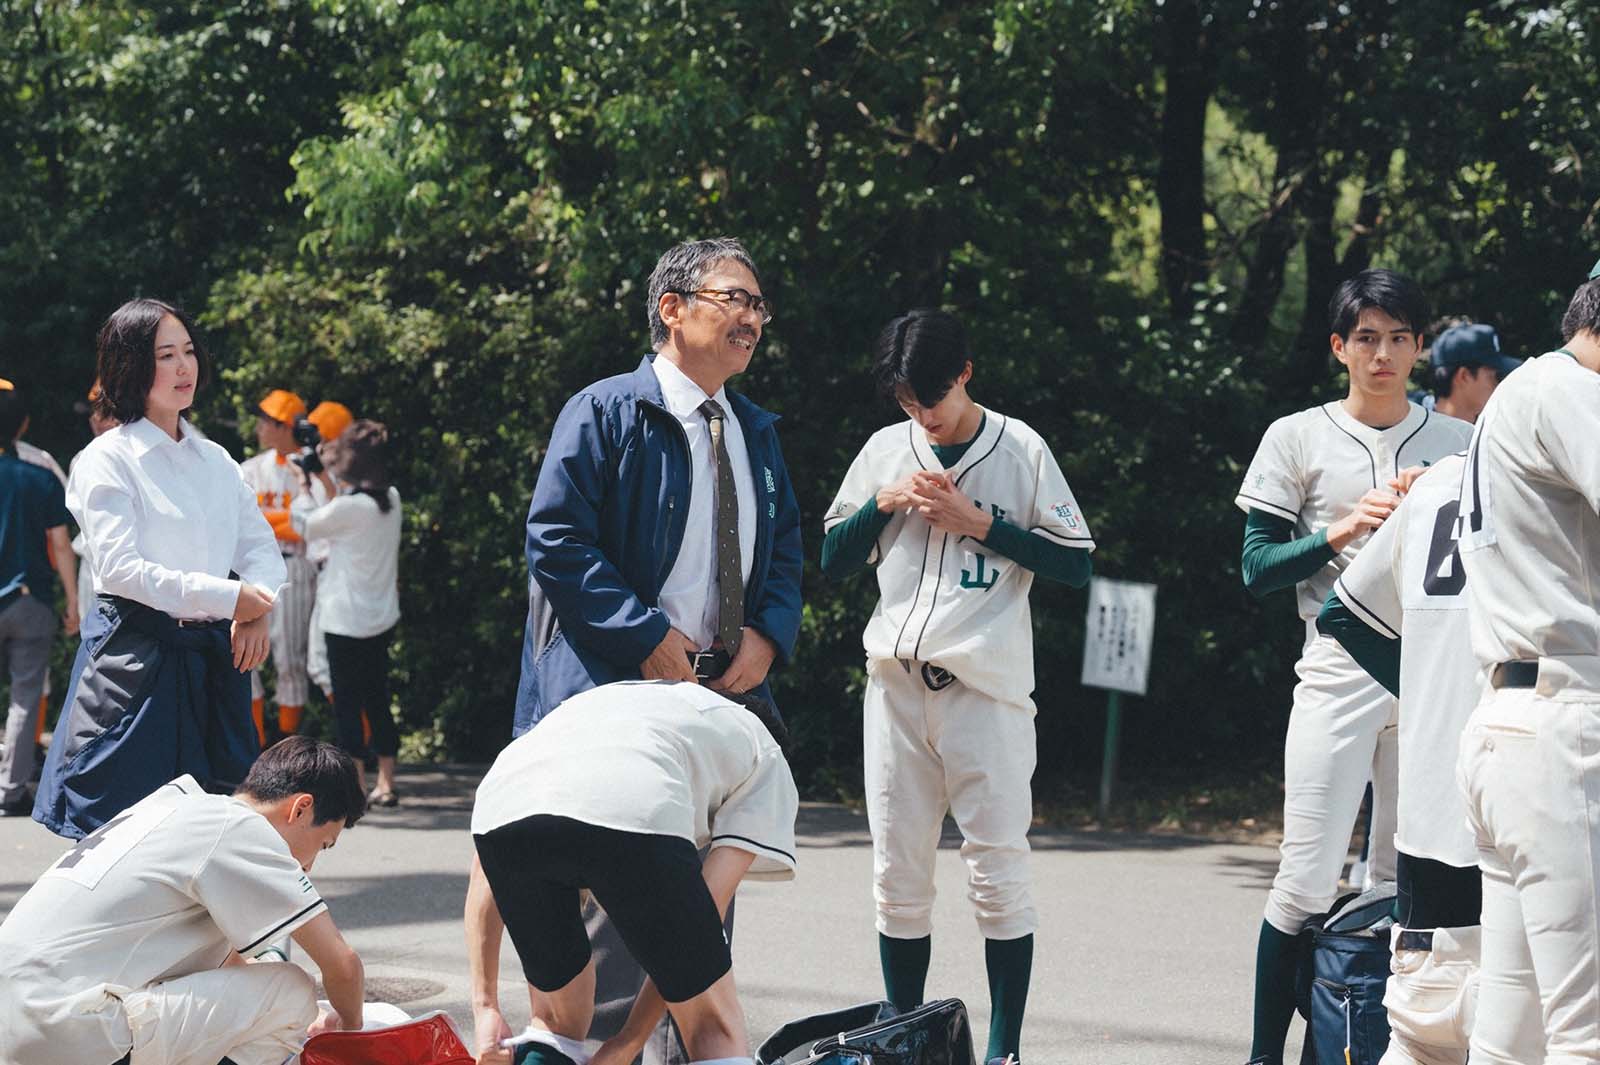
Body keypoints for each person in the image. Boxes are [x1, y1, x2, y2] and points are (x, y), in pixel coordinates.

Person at [506, 236, 803, 1062]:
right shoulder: (605, 410)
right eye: (731, 298)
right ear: (672, 309)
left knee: (698, 936)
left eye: (758, 304)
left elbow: (784, 553)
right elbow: (556, 539)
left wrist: (768, 638)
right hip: (617, 699)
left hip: (718, 701)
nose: (750, 317)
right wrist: (643, 637)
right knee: (611, 930)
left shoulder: (754, 429)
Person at [819, 309, 1094, 1065]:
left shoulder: (1022, 448)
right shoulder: (886, 450)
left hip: (984, 688)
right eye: (907, 400)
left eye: (930, 396)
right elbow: (832, 558)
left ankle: (1003, 1051)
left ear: (965, 371)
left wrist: (981, 523)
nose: (921, 413)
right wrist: (882, 502)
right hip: (896, 688)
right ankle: (899, 1037)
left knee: (997, 872)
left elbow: (1075, 563)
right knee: (897, 872)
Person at [1234, 269, 1473, 1065]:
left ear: (1420, 349)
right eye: (1366, 337)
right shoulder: (1297, 434)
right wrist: (1339, 532)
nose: (1383, 353)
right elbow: (1257, 566)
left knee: (1403, 879)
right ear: (1339, 346)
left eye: (1399, 337)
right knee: (1303, 877)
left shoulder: (1458, 443)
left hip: (1432, 669)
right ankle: (1266, 1054)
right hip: (1337, 662)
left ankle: (1358, 1043)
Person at [33, 298, 286, 840]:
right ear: (129, 365)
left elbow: (260, 549)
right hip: (136, 658)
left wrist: (256, 607)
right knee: (121, 837)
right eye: (165, 355)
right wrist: (230, 599)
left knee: (219, 833)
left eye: (188, 352)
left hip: (217, 660)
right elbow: (122, 570)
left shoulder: (217, 460)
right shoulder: (108, 458)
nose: (183, 367)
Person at [466, 680, 797, 1065]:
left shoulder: (635, 699)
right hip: (634, 805)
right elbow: (703, 917)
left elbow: (482, 868)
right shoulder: (767, 751)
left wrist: (485, 1006)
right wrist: (628, 1040)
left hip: (500, 804)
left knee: (557, 1020)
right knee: (713, 1027)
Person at [0, 735, 368, 1065]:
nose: (310, 864)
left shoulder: (176, 806)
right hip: (60, 1029)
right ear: (300, 808)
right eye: (323, 844)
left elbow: (225, 973)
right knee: (292, 992)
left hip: (19, 1021)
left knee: (266, 977)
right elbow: (343, 965)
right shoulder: (240, 829)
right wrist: (350, 1030)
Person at [1454, 269, 1600, 1063]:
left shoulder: (1521, 392)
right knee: (1587, 1037)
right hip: (1564, 730)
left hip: (1505, 727)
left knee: (1509, 1041)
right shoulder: (1576, 390)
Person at [1317, 455, 1482, 1065]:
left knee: (1422, 1030)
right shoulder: (1564, 480)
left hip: (1432, 810)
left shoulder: (1439, 482)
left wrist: (1427, 691)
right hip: (1535, 792)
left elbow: (1342, 613)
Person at [291, 419, 401, 805]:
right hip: (382, 616)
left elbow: (302, 525)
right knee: (378, 698)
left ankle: (355, 781)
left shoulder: (349, 509)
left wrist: (305, 487)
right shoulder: (391, 501)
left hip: (344, 619)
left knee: (348, 703)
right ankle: (386, 781)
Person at [0, 382, 79, 816]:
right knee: (25, 696)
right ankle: (11, 791)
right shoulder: (39, 476)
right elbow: (61, 543)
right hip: (29, 598)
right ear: (23, 425)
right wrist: (72, 599)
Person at [241, 387, 316, 744]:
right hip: (252, 572)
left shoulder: (314, 469)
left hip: (294, 568)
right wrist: (289, 520)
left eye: (268, 421)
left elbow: (313, 526)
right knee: (247, 662)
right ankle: (255, 747)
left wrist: (269, 520)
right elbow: (241, 522)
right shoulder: (250, 469)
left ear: (287, 426)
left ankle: (287, 747)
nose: (260, 427)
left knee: (291, 663)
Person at [303, 400, 355, 703]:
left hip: (338, 571)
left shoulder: (344, 470)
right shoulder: (323, 464)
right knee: (321, 666)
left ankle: (359, 743)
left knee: (326, 666)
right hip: (325, 571)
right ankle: (356, 738)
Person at [1425, 322, 1520, 424]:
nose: (1499, 385)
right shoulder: (1413, 432)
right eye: (1495, 377)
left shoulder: (1491, 430)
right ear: (1464, 376)